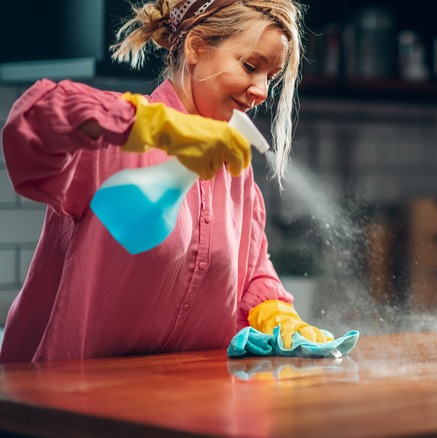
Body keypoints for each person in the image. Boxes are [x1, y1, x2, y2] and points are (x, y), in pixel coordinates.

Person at [0, 0, 335, 363]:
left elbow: (252, 270)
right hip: (72, 403)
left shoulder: (236, 169)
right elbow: (31, 124)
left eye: (270, 77)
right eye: (250, 66)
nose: (262, 91)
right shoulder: (113, 139)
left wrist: (274, 312)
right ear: (196, 48)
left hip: (185, 406)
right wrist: (153, 126)